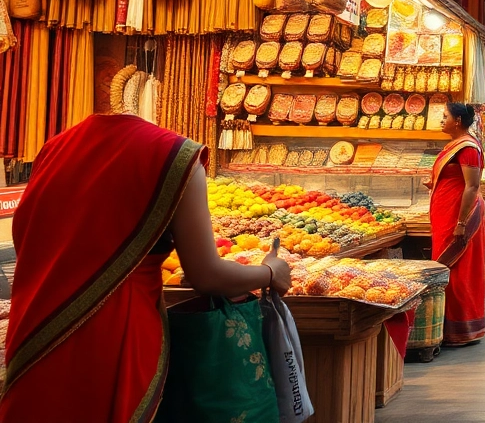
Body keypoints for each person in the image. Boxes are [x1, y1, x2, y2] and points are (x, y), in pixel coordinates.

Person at [0, 115, 292, 422]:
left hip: (36, 326)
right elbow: (207, 274)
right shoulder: (177, 159)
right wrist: (270, 272)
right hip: (116, 337)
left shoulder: (55, 149)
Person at [428, 103, 485, 346]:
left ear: (459, 120)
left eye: (445, 116)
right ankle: (448, 328)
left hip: (458, 216)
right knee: (448, 270)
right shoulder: (454, 145)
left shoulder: (468, 147)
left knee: (459, 271)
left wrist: (461, 223)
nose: (441, 120)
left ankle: (462, 329)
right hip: (446, 214)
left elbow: (471, 186)